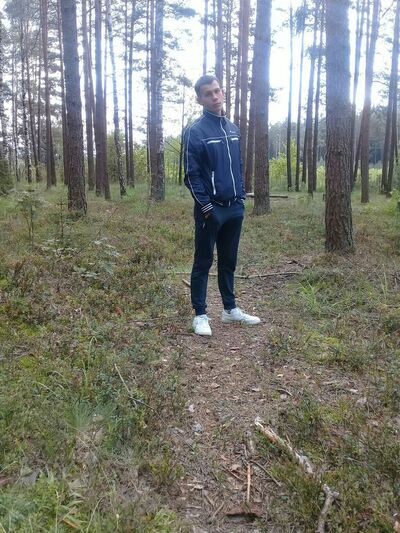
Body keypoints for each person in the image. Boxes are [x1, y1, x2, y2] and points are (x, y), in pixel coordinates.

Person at [183, 75, 261, 336]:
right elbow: (191, 175)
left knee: (229, 260)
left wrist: (240, 198)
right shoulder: (195, 132)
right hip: (211, 210)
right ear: (200, 99)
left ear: (223, 92)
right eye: (208, 93)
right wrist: (206, 208)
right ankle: (200, 314)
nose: (215, 97)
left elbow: (238, 166)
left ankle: (230, 309)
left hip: (234, 208)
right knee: (203, 261)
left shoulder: (233, 129)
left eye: (217, 91)